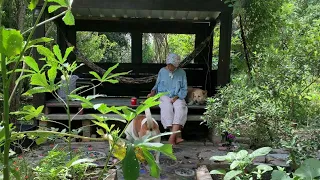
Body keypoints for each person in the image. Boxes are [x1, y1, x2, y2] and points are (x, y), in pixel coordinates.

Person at [147, 53, 188, 145]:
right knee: (166, 107)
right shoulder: (162, 71)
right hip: (164, 94)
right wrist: (152, 93)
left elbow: (184, 88)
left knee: (180, 107)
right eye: (168, 64)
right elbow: (157, 85)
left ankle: (171, 138)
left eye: (172, 65)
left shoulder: (182, 72)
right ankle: (177, 136)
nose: (170, 67)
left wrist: (177, 97)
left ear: (176, 65)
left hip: (178, 95)